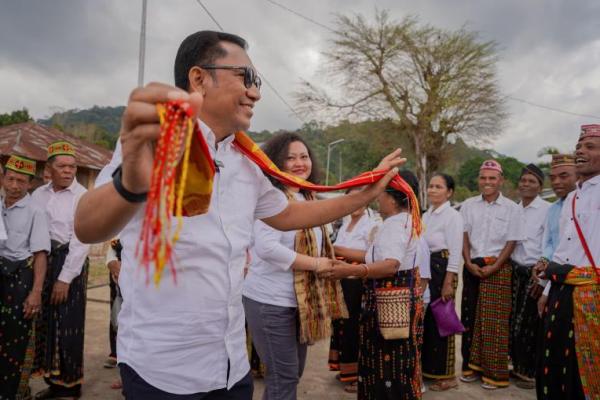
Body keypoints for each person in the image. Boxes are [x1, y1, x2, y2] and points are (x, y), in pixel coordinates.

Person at [74, 30, 405, 399]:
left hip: (230, 365)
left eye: (257, 81)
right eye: (245, 78)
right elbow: (86, 227)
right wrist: (131, 184)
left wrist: (365, 193)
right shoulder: (158, 142)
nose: (256, 92)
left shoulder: (246, 164)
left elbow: (288, 215)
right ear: (199, 78)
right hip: (162, 368)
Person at [242, 132, 348, 400]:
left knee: (292, 374)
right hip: (269, 301)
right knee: (284, 376)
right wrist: (316, 264)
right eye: (290, 158)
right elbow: (266, 248)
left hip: (301, 304)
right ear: (277, 163)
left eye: (304, 156)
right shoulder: (271, 198)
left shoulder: (308, 197)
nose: (300, 163)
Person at [330, 170, 422, 400]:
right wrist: (338, 251)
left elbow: (390, 265)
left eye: (379, 193)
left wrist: (350, 269)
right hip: (396, 301)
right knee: (396, 363)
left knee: (386, 363)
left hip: (388, 303)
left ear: (391, 198)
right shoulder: (404, 221)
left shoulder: (394, 225)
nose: (376, 198)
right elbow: (374, 256)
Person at [536, 125, 600, 400]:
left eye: (590, 146)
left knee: (589, 368)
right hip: (562, 292)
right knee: (557, 365)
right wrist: (546, 291)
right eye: (579, 145)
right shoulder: (573, 198)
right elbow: (563, 249)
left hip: (593, 295)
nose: (580, 151)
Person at [31, 141, 90, 400]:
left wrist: (65, 278)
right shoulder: (38, 195)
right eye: (62, 166)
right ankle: (53, 382)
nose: (68, 171)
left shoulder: (83, 196)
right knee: (46, 323)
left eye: (72, 166)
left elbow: (82, 240)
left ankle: (70, 386)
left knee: (69, 324)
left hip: (70, 263)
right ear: (49, 169)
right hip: (44, 261)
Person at [459, 159, 524, 390]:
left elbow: (512, 241)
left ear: (501, 181)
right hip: (473, 267)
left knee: (495, 323)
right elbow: (464, 236)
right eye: (483, 178)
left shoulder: (512, 209)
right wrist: (467, 263)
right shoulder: (467, 205)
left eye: (492, 178)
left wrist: (494, 267)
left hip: (499, 269)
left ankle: (493, 374)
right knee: (470, 318)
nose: (487, 182)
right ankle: (470, 367)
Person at [0, 155, 50, 400]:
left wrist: (36, 292)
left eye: (21, 181)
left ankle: (10, 393)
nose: (14, 186)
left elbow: (41, 254)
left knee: (14, 339)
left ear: (30, 184)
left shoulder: (36, 211)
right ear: (3, 178)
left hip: (20, 278)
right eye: (10, 179)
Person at [328, 188, 380, 393]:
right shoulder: (345, 222)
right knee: (340, 323)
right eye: (351, 198)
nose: (355, 202)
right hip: (341, 281)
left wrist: (337, 250)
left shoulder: (373, 224)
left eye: (360, 197)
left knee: (354, 326)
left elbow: (371, 255)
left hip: (358, 282)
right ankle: (343, 367)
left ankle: (356, 375)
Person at [421, 173, 463, 391]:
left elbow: (455, 251)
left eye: (438, 187)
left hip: (443, 269)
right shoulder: (426, 215)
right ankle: (430, 370)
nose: (433, 190)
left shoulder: (452, 216)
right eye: (430, 186)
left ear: (449, 192)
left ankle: (447, 376)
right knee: (427, 321)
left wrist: (449, 280)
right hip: (428, 269)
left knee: (442, 320)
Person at [509, 164, 550, 389]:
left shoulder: (547, 210)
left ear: (540, 186)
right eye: (523, 180)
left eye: (531, 181)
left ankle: (529, 371)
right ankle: (516, 365)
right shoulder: (514, 209)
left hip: (535, 273)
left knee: (530, 323)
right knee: (513, 320)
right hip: (514, 271)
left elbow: (550, 244)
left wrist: (542, 279)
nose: (526, 184)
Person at [534, 154, 577, 315]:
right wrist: (543, 260)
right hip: (555, 278)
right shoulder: (552, 209)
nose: (556, 182)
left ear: (578, 175)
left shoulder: (586, 205)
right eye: (552, 178)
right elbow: (551, 243)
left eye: (563, 176)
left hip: (580, 281)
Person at [104, 238, 123, 390]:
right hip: (121, 275)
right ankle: (125, 370)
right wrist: (111, 261)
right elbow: (113, 242)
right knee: (119, 320)